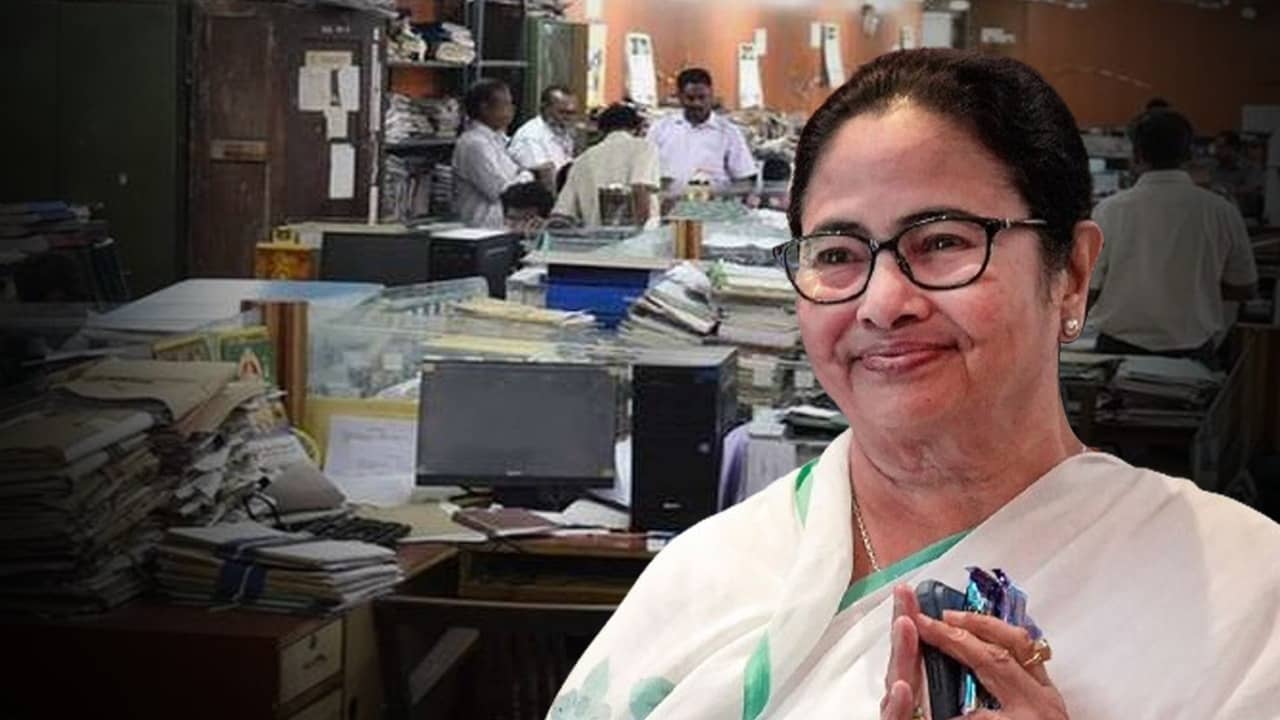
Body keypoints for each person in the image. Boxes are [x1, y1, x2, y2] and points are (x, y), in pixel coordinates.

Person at [548, 49, 1280, 720]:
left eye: (943, 242)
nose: (881, 302)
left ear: (1072, 275)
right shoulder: (710, 573)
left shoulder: (1245, 597)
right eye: (837, 253)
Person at [1089, 110, 1257, 361]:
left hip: (1119, 352)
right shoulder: (1221, 211)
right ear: (1189, 155)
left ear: (1137, 154)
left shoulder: (1109, 210)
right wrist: (1197, 285)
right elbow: (1246, 288)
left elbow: (1090, 287)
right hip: (1192, 355)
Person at [646, 67, 756, 191]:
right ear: (680, 97)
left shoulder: (729, 132)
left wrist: (727, 197)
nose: (697, 103)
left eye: (702, 97)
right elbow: (644, 173)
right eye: (690, 98)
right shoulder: (660, 129)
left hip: (714, 202)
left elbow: (743, 179)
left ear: (711, 95)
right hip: (667, 201)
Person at [551, 103, 660, 227]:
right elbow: (640, 189)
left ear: (601, 130)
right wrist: (638, 232)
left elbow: (562, 214)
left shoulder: (582, 160)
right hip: (636, 235)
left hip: (595, 237)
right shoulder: (644, 148)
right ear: (637, 128)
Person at [452, 79, 531, 228]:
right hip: (482, 228)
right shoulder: (474, 144)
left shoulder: (498, 138)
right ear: (485, 108)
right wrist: (527, 175)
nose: (512, 109)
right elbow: (501, 191)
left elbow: (517, 172)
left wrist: (522, 175)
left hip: (503, 225)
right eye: (506, 104)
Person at [509, 85, 579, 189]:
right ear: (544, 109)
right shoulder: (531, 136)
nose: (568, 118)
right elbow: (545, 179)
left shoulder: (563, 131)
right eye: (562, 112)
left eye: (572, 113)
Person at [1210, 130, 1265, 214]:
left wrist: (1229, 190)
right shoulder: (1213, 167)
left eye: (1220, 147)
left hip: (1242, 216)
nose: (1216, 151)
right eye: (1216, 147)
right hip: (1217, 214)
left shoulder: (1249, 169)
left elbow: (1253, 190)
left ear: (1233, 148)